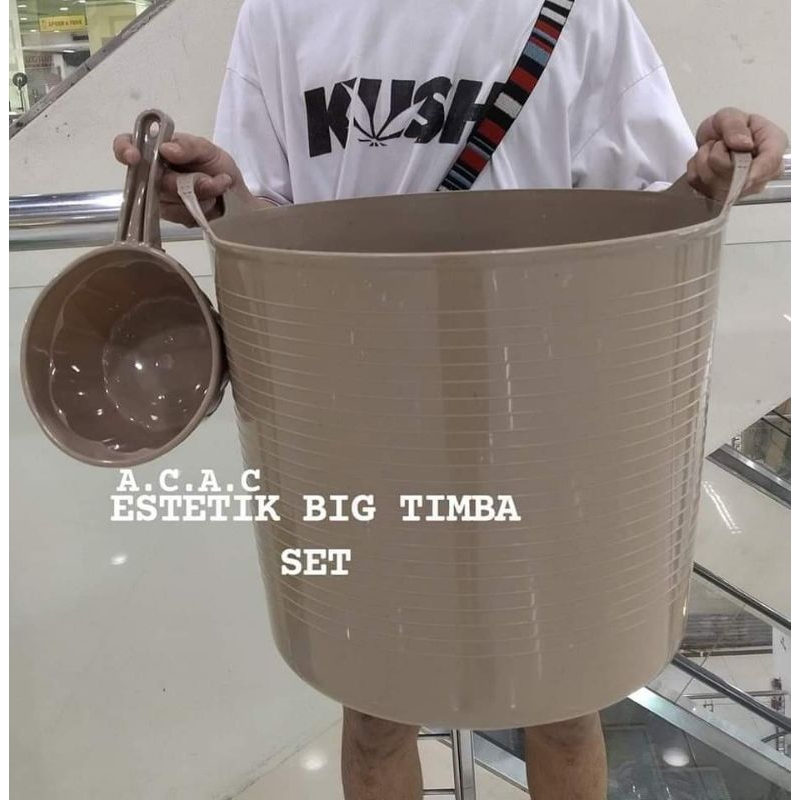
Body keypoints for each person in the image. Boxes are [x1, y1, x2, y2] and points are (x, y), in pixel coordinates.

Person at [114, 1, 787, 798]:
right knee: (375, 703)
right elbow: (262, 214)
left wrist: (709, 176)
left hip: (547, 398)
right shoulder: (284, 11)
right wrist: (217, 192)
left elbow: (651, 205)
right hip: (352, 399)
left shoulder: (586, 11)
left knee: (565, 696)